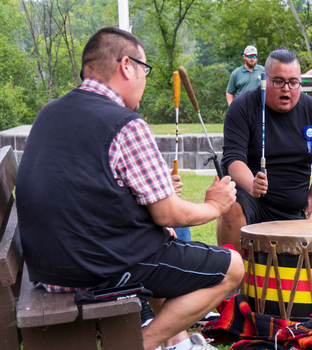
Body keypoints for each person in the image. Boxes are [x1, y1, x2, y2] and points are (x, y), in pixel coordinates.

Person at [15, 27, 244, 350]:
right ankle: (140, 343)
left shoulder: (50, 113)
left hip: (48, 266)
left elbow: (86, 189)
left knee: (169, 249)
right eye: (145, 69)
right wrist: (214, 205)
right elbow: (169, 212)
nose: (145, 81)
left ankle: (178, 342)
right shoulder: (125, 123)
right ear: (126, 66)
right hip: (97, 268)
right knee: (232, 267)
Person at [216, 48, 312, 251]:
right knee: (231, 205)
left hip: (292, 206)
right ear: (265, 79)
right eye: (279, 81)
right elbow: (233, 158)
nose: (286, 88)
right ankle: (234, 276)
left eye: (293, 82)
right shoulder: (242, 107)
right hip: (251, 199)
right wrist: (251, 185)